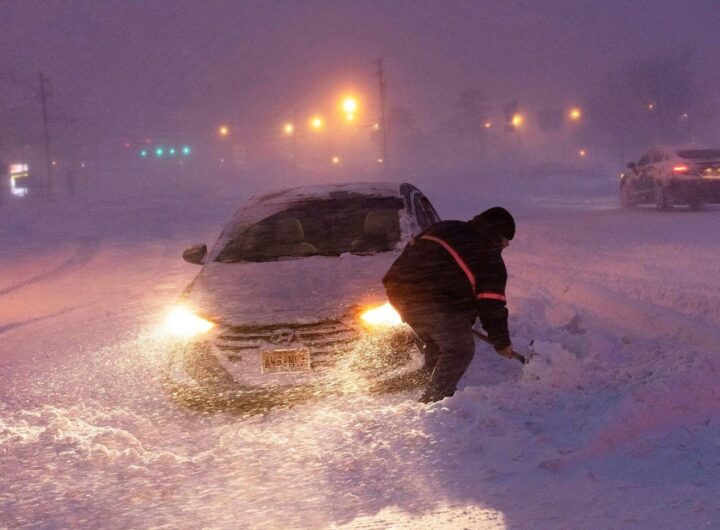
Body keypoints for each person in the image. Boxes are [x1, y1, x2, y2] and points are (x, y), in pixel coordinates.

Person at [383, 207, 515, 403]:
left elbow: (418, 255)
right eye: (507, 241)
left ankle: (402, 386)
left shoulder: (445, 227)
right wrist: (502, 343)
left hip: (398, 289)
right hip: (431, 299)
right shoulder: (488, 255)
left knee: (437, 345)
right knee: (460, 349)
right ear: (499, 235)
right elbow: (491, 306)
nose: (506, 246)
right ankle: (433, 403)